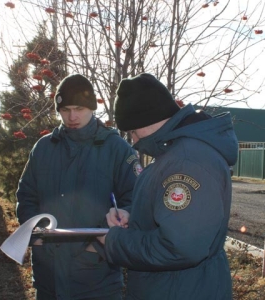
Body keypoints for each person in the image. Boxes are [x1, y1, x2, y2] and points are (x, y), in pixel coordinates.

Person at [98, 73, 238, 299]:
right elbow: (176, 217)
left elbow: (179, 247)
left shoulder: (186, 162)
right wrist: (133, 216)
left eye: (132, 132)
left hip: (181, 290)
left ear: (146, 120)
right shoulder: (174, 153)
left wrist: (115, 242)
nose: (133, 141)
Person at [16, 74, 142, 300]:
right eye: (65, 110)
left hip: (97, 278)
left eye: (79, 108)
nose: (72, 116)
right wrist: (35, 233)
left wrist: (98, 249)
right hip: (48, 276)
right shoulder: (44, 148)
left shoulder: (116, 148)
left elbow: (136, 201)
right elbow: (26, 195)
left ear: (92, 108)